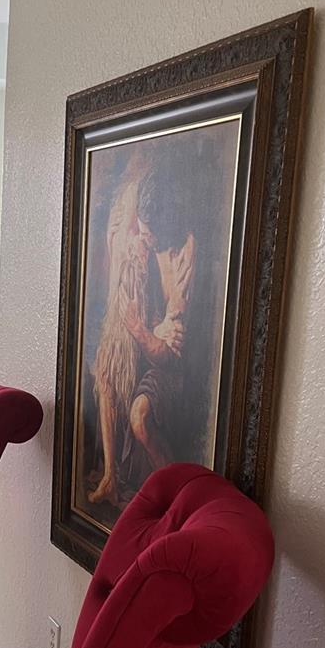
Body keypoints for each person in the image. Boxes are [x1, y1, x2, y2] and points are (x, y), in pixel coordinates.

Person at [87, 149, 196, 510]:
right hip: (147, 337)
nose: (144, 240)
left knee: (139, 415)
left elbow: (168, 353)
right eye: (141, 232)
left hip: (169, 366)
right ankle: (110, 477)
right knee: (105, 374)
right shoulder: (145, 240)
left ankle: (176, 503)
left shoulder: (182, 257)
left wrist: (143, 329)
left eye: (149, 235)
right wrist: (149, 326)